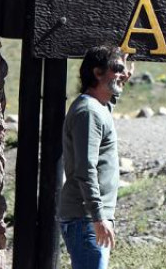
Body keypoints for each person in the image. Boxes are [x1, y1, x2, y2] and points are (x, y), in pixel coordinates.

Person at [59, 45, 133, 269]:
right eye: (117, 68)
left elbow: (104, 110)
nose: (122, 73)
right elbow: (85, 169)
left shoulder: (97, 108)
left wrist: (119, 83)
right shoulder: (88, 113)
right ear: (97, 72)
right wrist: (98, 218)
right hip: (86, 219)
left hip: (88, 218)